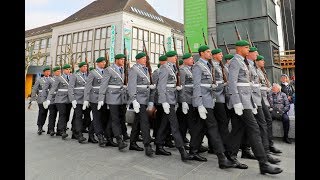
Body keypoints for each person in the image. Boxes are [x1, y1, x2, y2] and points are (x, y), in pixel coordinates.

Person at [225, 40, 282, 174]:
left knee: (238, 129)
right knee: (254, 129)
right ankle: (263, 163)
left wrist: (252, 103)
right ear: (239, 49)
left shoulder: (245, 62)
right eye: (246, 47)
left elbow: (249, 84)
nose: (248, 49)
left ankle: (230, 156)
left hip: (247, 101)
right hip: (240, 102)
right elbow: (232, 82)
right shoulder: (235, 61)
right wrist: (236, 101)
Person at [192, 45, 234, 168]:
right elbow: (197, 86)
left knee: (200, 127)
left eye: (210, 51)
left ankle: (193, 151)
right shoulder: (198, 66)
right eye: (208, 52)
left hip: (210, 100)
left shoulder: (208, 65)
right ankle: (222, 158)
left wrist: (216, 87)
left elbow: (209, 85)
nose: (210, 53)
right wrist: (199, 105)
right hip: (204, 102)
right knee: (213, 127)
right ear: (201, 53)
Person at [155, 50, 192, 161]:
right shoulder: (165, 68)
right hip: (167, 100)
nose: (176, 58)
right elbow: (161, 86)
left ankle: (159, 145)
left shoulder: (172, 68)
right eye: (174, 56)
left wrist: (179, 92)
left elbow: (172, 84)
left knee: (164, 123)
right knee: (174, 125)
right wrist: (164, 101)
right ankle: (182, 151)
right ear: (169, 58)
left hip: (172, 99)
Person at [98, 54, 128, 151]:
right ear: (116, 60)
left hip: (121, 97)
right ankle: (120, 141)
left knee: (114, 119)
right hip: (112, 97)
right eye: (121, 59)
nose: (123, 61)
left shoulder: (124, 69)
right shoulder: (109, 70)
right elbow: (103, 85)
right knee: (115, 119)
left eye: (124, 59)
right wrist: (101, 99)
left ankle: (108, 137)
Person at [128, 52, 155, 156]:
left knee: (137, 122)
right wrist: (133, 100)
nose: (145, 60)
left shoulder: (146, 69)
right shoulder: (134, 69)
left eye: (145, 58)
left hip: (145, 99)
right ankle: (147, 145)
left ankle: (132, 143)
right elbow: (131, 86)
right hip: (138, 100)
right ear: (137, 59)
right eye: (143, 58)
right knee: (145, 122)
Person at [255, 55, 282, 153]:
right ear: (257, 61)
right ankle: (265, 146)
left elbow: (267, 84)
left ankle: (269, 144)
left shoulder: (262, 71)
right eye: (261, 60)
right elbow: (256, 86)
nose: (263, 62)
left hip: (265, 100)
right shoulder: (255, 71)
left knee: (268, 121)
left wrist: (272, 87)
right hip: (259, 99)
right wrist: (267, 89)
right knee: (263, 122)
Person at [83, 57, 110, 147]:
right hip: (95, 98)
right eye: (102, 62)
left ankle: (91, 134)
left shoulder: (107, 71)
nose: (104, 64)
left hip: (104, 98)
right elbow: (88, 86)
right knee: (97, 116)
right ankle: (100, 136)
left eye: (104, 62)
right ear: (97, 63)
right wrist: (86, 99)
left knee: (101, 117)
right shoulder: (93, 72)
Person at [44, 64, 73, 140]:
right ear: (63, 70)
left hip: (69, 100)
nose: (68, 71)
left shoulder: (72, 77)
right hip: (60, 99)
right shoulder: (59, 78)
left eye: (69, 69)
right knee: (62, 114)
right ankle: (61, 130)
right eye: (67, 69)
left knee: (66, 115)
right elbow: (52, 89)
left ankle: (60, 129)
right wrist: (48, 99)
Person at [68, 62, 89, 144]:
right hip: (77, 99)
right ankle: (79, 134)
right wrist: (72, 99)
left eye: (86, 66)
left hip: (85, 100)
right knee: (79, 116)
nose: (85, 68)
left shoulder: (88, 75)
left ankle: (74, 133)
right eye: (83, 66)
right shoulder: (75, 75)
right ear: (80, 67)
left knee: (77, 116)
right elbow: (70, 88)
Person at [30, 66, 51, 135]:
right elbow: (34, 89)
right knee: (42, 112)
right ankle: (40, 127)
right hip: (41, 98)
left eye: (49, 71)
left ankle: (48, 128)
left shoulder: (52, 79)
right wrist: (33, 99)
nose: (48, 72)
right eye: (46, 71)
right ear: (44, 72)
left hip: (50, 98)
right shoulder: (39, 80)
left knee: (48, 113)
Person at [41, 66, 61, 136]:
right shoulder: (49, 80)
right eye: (57, 71)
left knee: (61, 115)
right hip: (52, 100)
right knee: (52, 115)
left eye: (59, 71)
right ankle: (51, 129)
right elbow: (44, 90)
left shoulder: (62, 79)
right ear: (54, 72)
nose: (59, 72)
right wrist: (44, 100)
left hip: (60, 100)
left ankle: (59, 130)